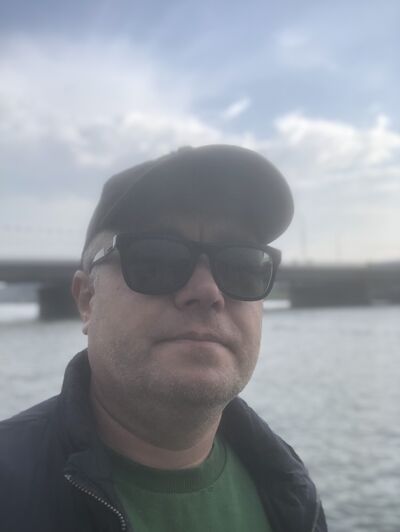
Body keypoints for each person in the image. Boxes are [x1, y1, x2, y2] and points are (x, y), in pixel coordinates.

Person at [0, 145, 327, 531]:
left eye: (241, 266)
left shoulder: (290, 488)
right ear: (87, 299)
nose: (207, 291)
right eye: (155, 261)